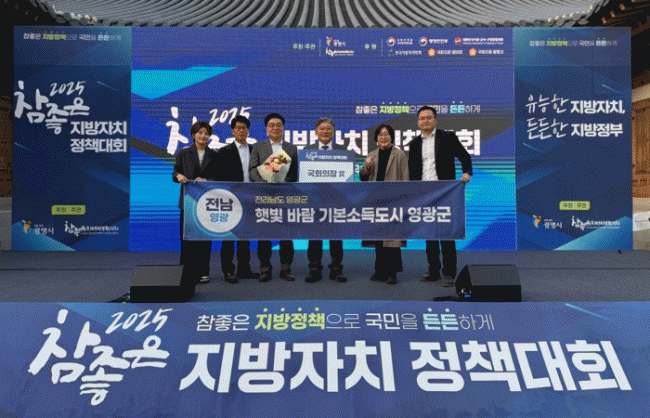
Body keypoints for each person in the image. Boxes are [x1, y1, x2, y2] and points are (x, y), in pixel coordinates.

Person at [408, 106, 472, 288]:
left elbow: (464, 156)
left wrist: (467, 172)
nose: (425, 121)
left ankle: (449, 273)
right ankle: (433, 271)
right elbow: (413, 170)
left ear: (435, 120)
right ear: (418, 122)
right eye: (422, 118)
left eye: (429, 117)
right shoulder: (414, 143)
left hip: (445, 192)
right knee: (429, 234)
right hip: (424, 193)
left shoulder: (447, 137)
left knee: (446, 233)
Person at [248, 113, 298, 282]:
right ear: (266, 129)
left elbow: (295, 173)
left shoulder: (292, 148)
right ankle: (264, 268)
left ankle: (286, 269)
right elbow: (252, 169)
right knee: (264, 235)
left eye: (278, 125)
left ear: (283, 128)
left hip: (285, 196)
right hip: (265, 196)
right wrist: (264, 183)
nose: (275, 128)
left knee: (286, 235)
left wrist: (285, 183)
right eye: (271, 125)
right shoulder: (258, 146)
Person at [359, 124, 409, 285]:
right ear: (376, 138)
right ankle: (380, 271)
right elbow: (362, 177)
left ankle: (392, 273)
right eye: (380, 135)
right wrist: (367, 166)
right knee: (379, 239)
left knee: (392, 239)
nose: (383, 137)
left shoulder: (399, 154)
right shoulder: (372, 155)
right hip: (376, 201)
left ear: (392, 137)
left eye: (387, 134)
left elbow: (405, 179)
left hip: (394, 201)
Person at [172, 121, 219, 285]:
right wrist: (178, 176)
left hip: (206, 202)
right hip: (188, 201)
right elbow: (175, 172)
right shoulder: (184, 153)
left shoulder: (214, 155)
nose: (203, 136)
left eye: (206, 133)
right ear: (193, 135)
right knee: (186, 239)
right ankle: (185, 272)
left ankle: (203, 272)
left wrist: (207, 179)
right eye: (200, 133)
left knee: (204, 239)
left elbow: (219, 177)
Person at [217, 115, 260, 284]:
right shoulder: (224, 151)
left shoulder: (255, 150)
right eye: (238, 128)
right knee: (228, 238)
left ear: (248, 130)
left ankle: (244, 268)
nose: (241, 131)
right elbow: (220, 176)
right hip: (231, 199)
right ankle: (228, 271)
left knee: (245, 237)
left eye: (244, 128)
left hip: (250, 198)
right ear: (232, 131)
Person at [304, 117, 347, 283]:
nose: (325, 131)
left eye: (328, 128)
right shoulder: (307, 151)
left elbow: (347, 178)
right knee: (314, 238)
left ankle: (336, 270)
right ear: (316, 132)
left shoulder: (343, 151)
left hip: (336, 202)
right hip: (314, 202)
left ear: (334, 132)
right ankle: (314, 269)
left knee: (336, 238)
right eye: (322, 128)